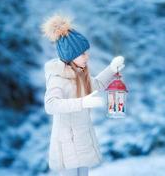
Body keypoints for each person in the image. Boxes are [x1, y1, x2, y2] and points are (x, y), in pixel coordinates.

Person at [41, 14, 125, 176]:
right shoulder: (57, 78)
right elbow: (51, 105)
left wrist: (112, 69)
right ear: (70, 56)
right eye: (83, 54)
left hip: (82, 141)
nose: (87, 56)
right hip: (67, 145)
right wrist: (83, 103)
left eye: (86, 52)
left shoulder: (79, 75)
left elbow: (97, 85)